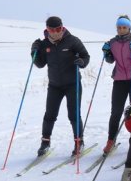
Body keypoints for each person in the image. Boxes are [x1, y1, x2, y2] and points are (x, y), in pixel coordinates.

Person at [31, 16, 90, 156]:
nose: (55, 32)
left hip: (72, 84)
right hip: (54, 85)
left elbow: (86, 56)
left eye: (58, 29)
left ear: (62, 27)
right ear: (47, 30)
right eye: (52, 30)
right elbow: (40, 64)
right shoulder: (45, 44)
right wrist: (34, 52)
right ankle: (45, 143)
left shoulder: (73, 40)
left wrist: (81, 61)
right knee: (50, 114)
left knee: (73, 114)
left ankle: (79, 142)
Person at [102, 15, 131, 154]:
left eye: (124, 27)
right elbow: (109, 60)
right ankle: (111, 140)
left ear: (129, 27)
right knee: (116, 112)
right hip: (119, 80)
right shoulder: (112, 42)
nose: (121, 30)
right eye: (119, 27)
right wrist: (106, 52)